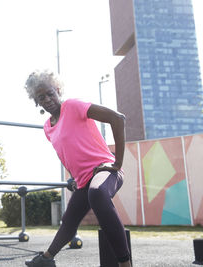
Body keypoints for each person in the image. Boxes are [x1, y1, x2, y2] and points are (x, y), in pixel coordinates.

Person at [23, 70, 131, 267]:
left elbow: (118, 118)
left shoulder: (72, 106)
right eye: (41, 97)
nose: (47, 99)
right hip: (83, 180)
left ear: (57, 90)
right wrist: (73, 177)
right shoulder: (48, 127)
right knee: (69, 220)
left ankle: (125, 264)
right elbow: (67, 153)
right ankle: (46, 259)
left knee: (97, 193)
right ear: (36, 102)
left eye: (50, 93)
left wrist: (117, 162)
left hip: (105, 170)